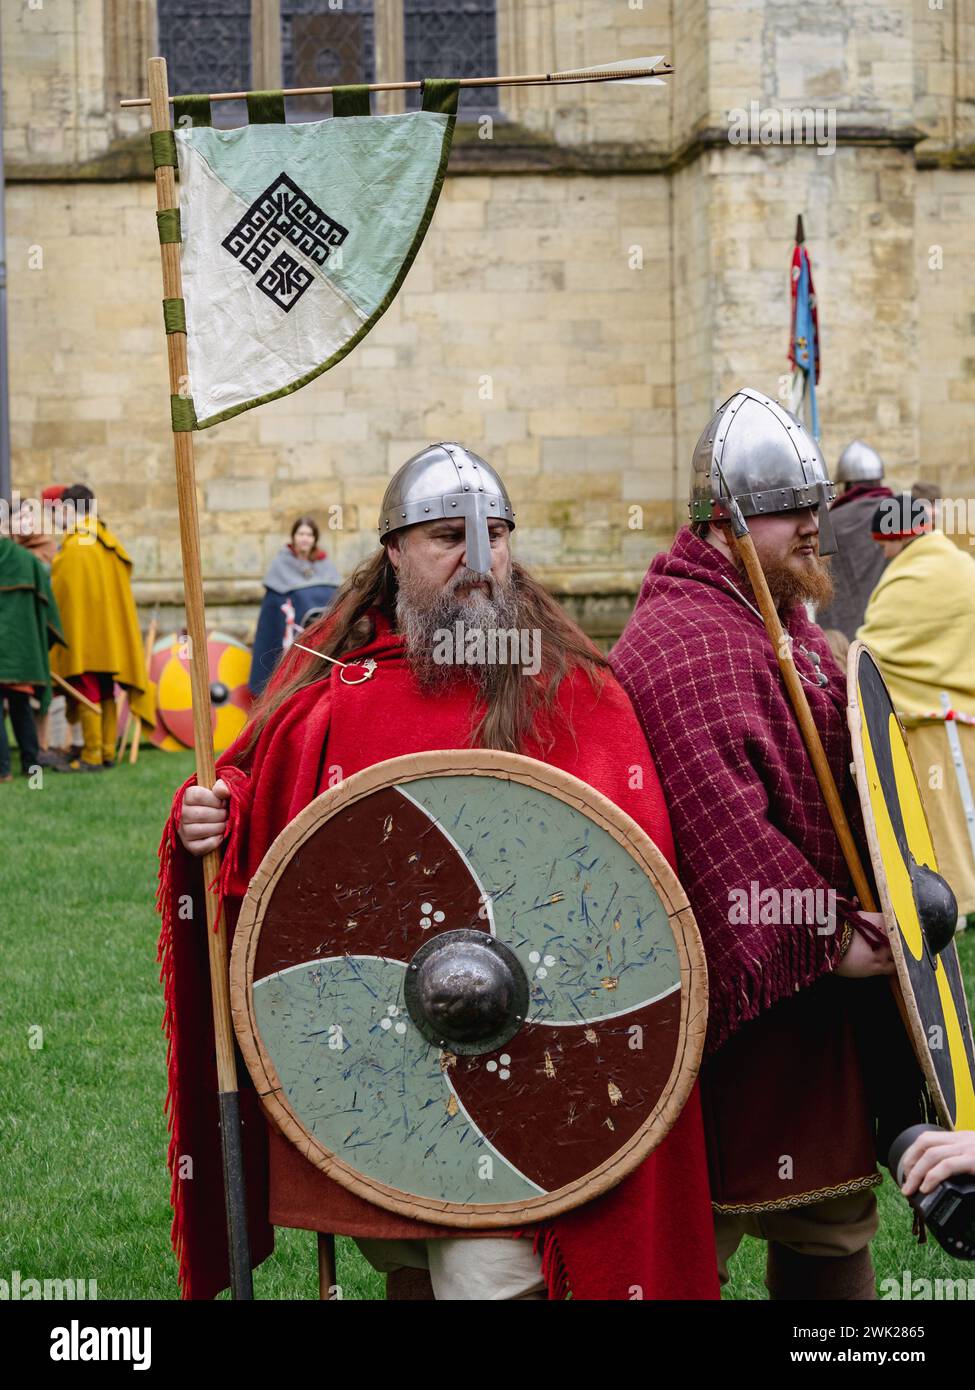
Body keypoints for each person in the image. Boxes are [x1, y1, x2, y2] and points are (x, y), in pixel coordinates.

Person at [161, 442, 719, 1302]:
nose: (475, 555)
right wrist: (217, 811)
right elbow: (258, 792)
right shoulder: (336, 681)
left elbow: (632, 891)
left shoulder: (571, 690)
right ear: (392, 553)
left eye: (493, 533)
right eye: (442, 535)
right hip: (377, 1048)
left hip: (533, 1051)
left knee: (485, 1274)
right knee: (408, 1253)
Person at [612, 388, 924, 1302]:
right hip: (725, 1003)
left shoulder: (783, 621)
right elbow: (723, 835)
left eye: (815, 507)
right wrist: (828, 936)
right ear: (727, 520)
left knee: (827, 1225)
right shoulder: (679, 644)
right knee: (689, 1240)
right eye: (793, 510)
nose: (814, 529)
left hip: (815, 1009)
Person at [857, 492, 975, 921]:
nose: (882, 550)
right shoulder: (956, 561)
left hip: (928, 719)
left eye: (885, 541)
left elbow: (877, 647)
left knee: (938, 823)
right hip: (960, 714)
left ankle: (952, 904)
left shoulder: (919, 573)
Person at [50, 484, 154, 772]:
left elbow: (62, 599)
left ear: (69, 510)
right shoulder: (108, 541)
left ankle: (92, 756)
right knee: (105, 689)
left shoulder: (76, 547)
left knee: (87, 689)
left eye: (58, 510)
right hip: (109, 638)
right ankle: (106, 751)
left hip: (83, 637)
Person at [248, 517, 340, 696]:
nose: (305, 538)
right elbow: (274, 609)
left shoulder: (325, 564)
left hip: (320, 642)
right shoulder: (280, 565)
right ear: (293, 537)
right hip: (291, 640)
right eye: (301, 534)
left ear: (314, 539)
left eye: (309, 534)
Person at [0, 533, 65, 780]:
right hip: (22, 652)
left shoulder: (27, 558)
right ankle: (30, 766)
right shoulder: (26, 560)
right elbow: (47, 608)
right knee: (22, 708)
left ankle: (3, 770)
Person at [815, 439, 892, 647]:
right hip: (893, 625)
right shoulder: (900, 514)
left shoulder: (831, 521)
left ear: (847, 485)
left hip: (845, 634)